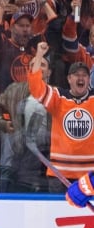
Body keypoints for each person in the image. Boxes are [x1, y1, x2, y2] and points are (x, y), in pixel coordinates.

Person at [28, 41, 94, 192]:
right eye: (77, 75)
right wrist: (39, 55)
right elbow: (35, 86)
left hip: (90, 175)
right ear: (69, 79)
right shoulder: (58, 97)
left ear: (89, 80)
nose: (81, 78)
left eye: (84, 75)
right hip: (60, 174)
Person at [0, 53, 52, 193]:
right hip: (19, 156)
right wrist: (4, 124)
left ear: (49, 72)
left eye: (42, 65)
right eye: (33, 66)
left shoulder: (56, 95)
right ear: (28, 71)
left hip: (47, 156)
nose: (38, 69)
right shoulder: (14, 90)